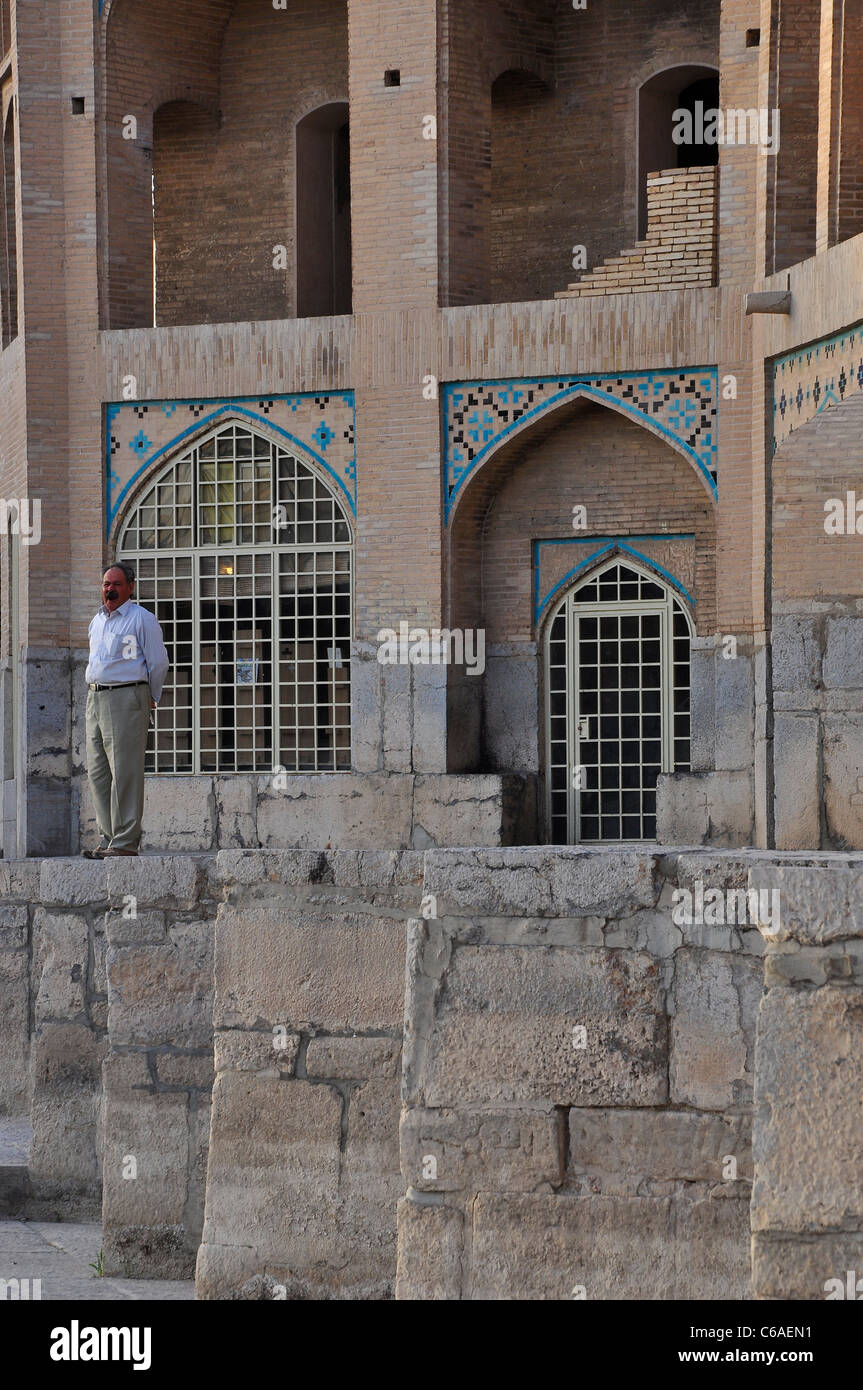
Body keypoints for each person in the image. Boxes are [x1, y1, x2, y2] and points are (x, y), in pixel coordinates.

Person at [83, 563, 169, 858]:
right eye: (107, 584)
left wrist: (150, 696)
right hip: (95, 699)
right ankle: (110, 838)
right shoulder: (97, 621)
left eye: (117, 584)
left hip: (127, 696)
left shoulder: (141, 619)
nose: (110, 589)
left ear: (130, 587)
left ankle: (125, 841)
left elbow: (158, 662)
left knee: (125, 771)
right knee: (98, 773)